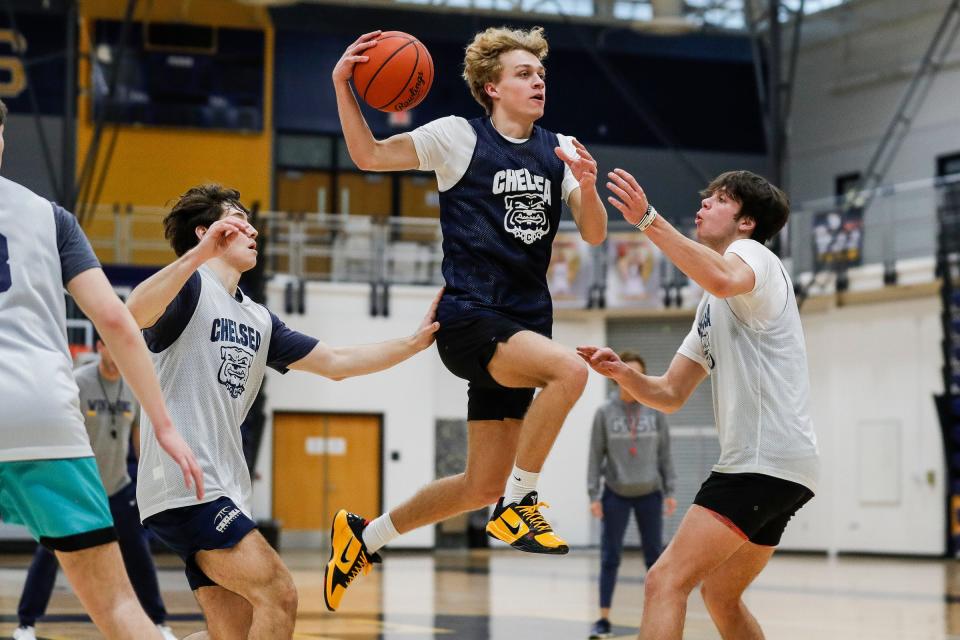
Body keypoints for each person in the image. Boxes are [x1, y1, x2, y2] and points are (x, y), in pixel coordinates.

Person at [324, 25, 608, 611]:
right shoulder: (457, 137)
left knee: (479, 485)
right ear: (490, 86)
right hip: (469, 316)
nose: (538, 83)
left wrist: (587, 186)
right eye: (525, 74)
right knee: (572, 374)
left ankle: (363, 537)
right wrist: (342, 87)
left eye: (542, 76)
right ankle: (520, 505)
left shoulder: (562, 148)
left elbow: (596, 235)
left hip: (524, 326)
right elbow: (369, 155)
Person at [125, 184, 441, 640]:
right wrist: (197, 256)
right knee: (280, 593)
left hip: (225, 487)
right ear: (206, 231)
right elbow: (133, 312)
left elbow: (335, 363)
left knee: (233, 633)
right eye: (238, 220)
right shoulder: (189, 288)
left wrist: (413, 344)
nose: (252, 228)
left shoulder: (258, 319)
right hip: (186, 483)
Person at [578, 169, 820, 640]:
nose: (706, 203)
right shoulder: (712, 302)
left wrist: (648, 219)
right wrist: (624, 374)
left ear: (747, 221)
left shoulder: (751, 257)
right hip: (788, 466)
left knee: (664, 581)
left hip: (758, 463)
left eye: (721, 198)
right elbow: (670, 393)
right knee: (720, 595)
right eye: (706, 196)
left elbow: (725, 278)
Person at [0, 98, 204, 640]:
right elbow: (116, 320)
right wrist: (162, 423)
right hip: (42, 413)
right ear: (0, 138)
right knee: (116, 607)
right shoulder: (49, 217)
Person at [13, 338, 177, 640]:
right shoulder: (79, 382)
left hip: (118, 487)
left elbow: (138, 437)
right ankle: (26, 624)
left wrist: (149, 478)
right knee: (50, 554)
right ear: (101, 346)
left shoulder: (132, 386)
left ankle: (158, 621)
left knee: (139, 556)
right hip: (78, 491)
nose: (116, 357)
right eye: (110, 349)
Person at [586, 351, 677, 640]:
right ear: (615, 376)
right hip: (616, 494)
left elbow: (665, 455)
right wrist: (593, 495)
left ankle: (657, 619)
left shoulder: (655, 410)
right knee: (609, 558)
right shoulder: (604, 413)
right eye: (625, 372)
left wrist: (670, 490)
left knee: (656, 559)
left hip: (650, 493)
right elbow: (594, 456)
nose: (630, 379)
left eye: (637, 373)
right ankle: (603, 620)